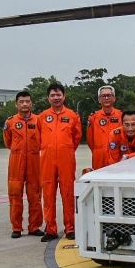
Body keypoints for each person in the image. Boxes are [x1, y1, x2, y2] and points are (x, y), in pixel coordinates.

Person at [39, 83, 82, 242]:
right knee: (48, 194)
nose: (56, 98)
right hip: (47, 159)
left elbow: (76, 137)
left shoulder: (72, 115)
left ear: (64, 96)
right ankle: (50, 229)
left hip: (66, 158)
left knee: (68, 193)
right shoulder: (42, 117)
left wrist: (67, 149)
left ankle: (70, 228)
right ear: (48, 98)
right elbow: (38, 138)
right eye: (52, 95)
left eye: (58, 95)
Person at [2, 91, 44, 239]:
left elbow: (42, 140)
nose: (25, 104)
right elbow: (7, 142)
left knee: (35, 194)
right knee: (15, 194)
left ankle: (34, 226)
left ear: (31, 103)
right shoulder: (10, 122)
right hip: (16, 160)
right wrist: (18, 151)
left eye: (27, 101)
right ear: (16, 104)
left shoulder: (39, 120)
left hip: (34, 160)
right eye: (21, 101)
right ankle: (16, 227)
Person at [86, 85, 123, 170]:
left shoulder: (121, 116)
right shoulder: (93, 117)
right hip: (99, 156)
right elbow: (90, 140)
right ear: (99, 99)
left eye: (109, 95)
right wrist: (99, 150)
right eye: (103, 96)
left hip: (117, 154)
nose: (106, 98)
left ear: (114, 98)